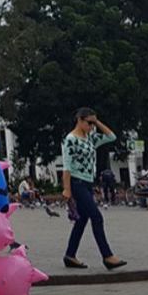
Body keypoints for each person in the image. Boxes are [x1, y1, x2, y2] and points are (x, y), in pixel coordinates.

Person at [61, 108, 127, 271]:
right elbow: (67, 166)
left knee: (82, 220)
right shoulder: (71, 139)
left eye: (93, 123)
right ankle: (107, 256)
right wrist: (67, 189)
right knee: (96, 217)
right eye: (89, 122)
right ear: (79, 120)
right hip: (77, 182)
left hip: (88, 183)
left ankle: (70, 255)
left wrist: (97, 122)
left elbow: (111, 136)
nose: (91, 126)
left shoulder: (90, 138)